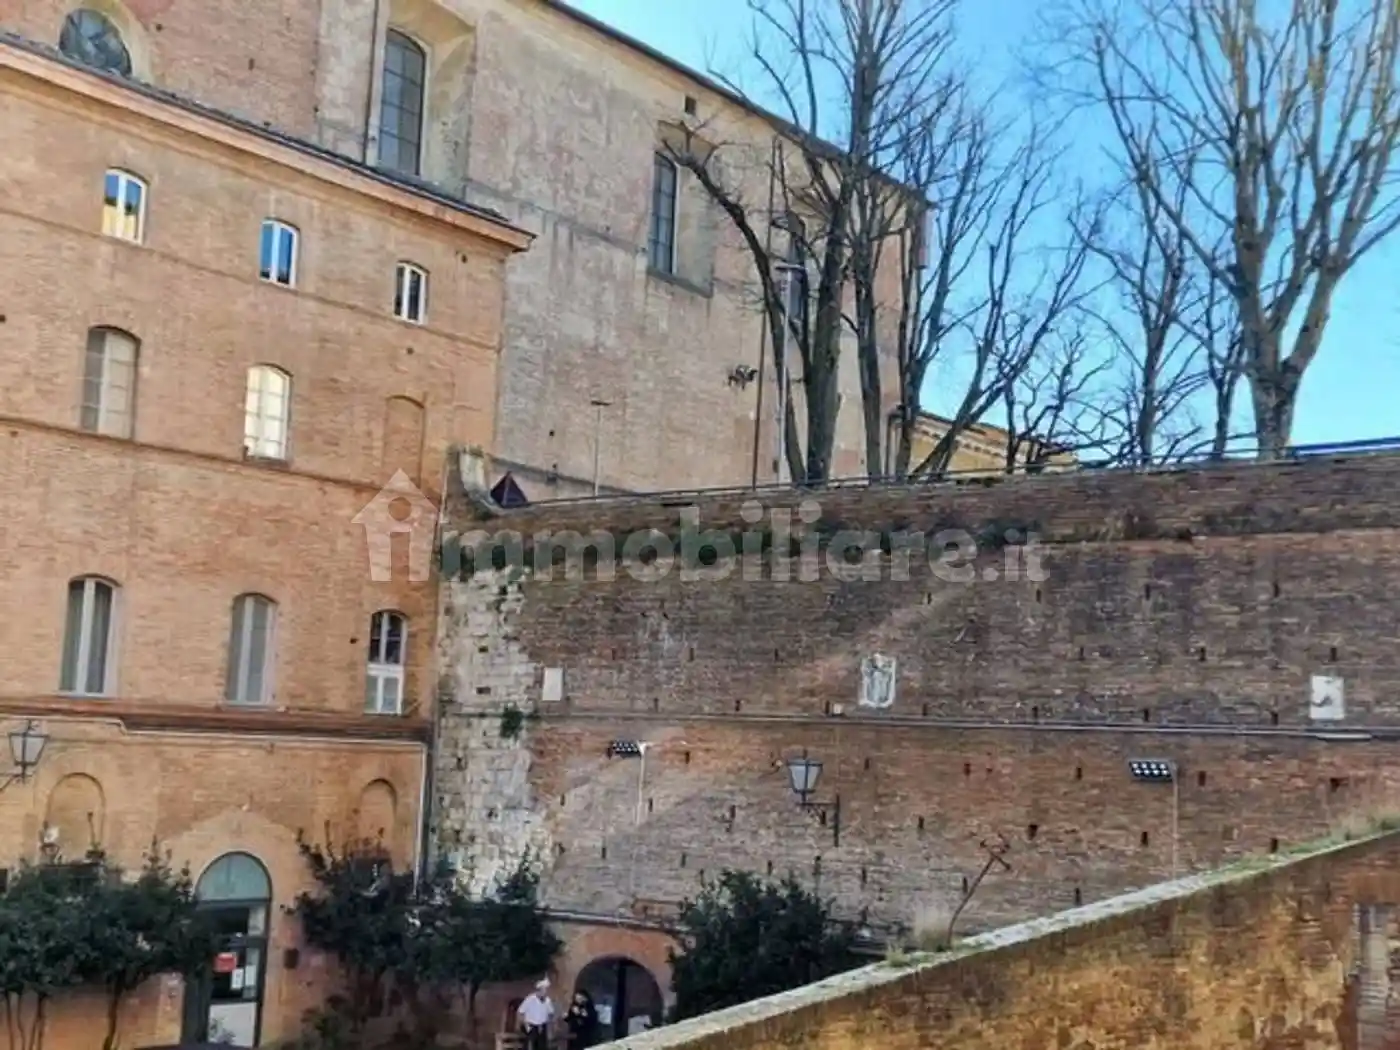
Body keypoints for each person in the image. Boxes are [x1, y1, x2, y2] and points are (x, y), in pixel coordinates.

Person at [517, 979, 555, 1050]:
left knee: (542, 1046)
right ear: (539, 990)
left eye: (546, 990)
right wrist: (526, 1025)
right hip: (531, 1026)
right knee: (530, 1045)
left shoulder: (547, 1000)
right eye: (544, 990)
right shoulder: (530, 999)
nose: (545, 992)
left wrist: (549, 1022)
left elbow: (551, 1013)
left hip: (542, 1026)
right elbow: (520, 1012)